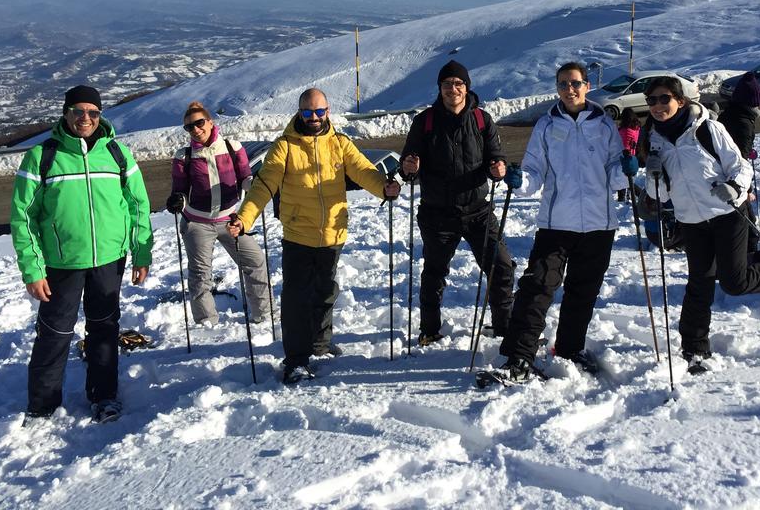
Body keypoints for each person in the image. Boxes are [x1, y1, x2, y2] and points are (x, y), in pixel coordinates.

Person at [227, 88, 401, 383]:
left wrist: (383, 188)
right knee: (296, 298)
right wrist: (244, 218)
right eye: (308, 112)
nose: (314, 117)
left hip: (333, 233)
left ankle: (320, 343)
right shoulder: (284, 147)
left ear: (328, 111)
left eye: (319, 112)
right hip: (298, 234)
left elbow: (362, 171)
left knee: (325, 291)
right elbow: (264, 185)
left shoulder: (340, 143)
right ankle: (296, 359)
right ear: (299, 112)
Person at [642, 76, 760, 369]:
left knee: (735, 282)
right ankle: (694, 348)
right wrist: (653, 177)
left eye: (664, 98)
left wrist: (736, 186)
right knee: (700, 282)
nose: (657, 106)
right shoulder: (654, 140)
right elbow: (661, 195)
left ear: (680, 100)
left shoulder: (708, 128)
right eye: (652, 101)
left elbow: (739, 165)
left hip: (728, 214)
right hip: (691, 221)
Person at [11, 85, 153, 424]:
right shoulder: (42, 156)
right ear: (65, 113)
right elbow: (22, 216)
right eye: (78, 111)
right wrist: (32, 269)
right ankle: (43, 405)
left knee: (104, 329)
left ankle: (104, 397)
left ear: (100, 116)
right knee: (54, 333)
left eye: (92, 112)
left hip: (109, 259)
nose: (85, 118)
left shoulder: (117, 153)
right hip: (62, 263)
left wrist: (141, 252)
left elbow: (138, 206)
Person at [493, 62, 630, 382]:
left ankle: (569, 349)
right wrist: (518, 180)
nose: (570, 90)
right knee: (537, 286)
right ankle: (519, 356)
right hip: (557, 223)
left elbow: (615, 175)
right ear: (557, 88)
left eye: (576, 83)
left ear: (587, 86)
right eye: (563, 84)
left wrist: (627, 169)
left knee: (583, 291)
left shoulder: (604, 124)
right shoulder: (546, 125)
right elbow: (534, 173)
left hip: (599, 224)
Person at [400, 61, 511, 345]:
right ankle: (430, 329)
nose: (453, 89)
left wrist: (498, 168)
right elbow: (408, 163)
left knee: (501, 266)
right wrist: (410, 166)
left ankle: (503, 326)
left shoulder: (482, 120)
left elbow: (495, 157)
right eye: (447, 84)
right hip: (437, 212)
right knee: (434, 274)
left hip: (478, 210)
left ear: (467, 87)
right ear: (440, 88)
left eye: (458, 83)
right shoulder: (424, 122)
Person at [166, 101, 270, 327]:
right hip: (197, 223)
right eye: (189, 127)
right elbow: (180, 191)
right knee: (201, 275)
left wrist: (254, 185)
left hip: (230, 220)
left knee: (255, 261)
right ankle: (206, 322)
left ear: (210, 122)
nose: (195, 129)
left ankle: (264, 316)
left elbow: (245, 178)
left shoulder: (232, 147)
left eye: (199, 123)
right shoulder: (184, 156)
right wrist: (177, 201)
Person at [719, 72, 760, 250]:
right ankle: (748, 259)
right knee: (748, 225)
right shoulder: (744, 123)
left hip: (725, 178)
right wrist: (746, 189)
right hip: (733, 181)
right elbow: (740, 160)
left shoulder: (730, 114)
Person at [616, 108, 641, 201]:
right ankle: (625, 196)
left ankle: (623, 197)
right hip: (632, 154)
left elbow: (625, 144)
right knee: (626, 177)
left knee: (623, 177)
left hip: (625, 155)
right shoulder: (636, 127)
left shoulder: (626, 130)